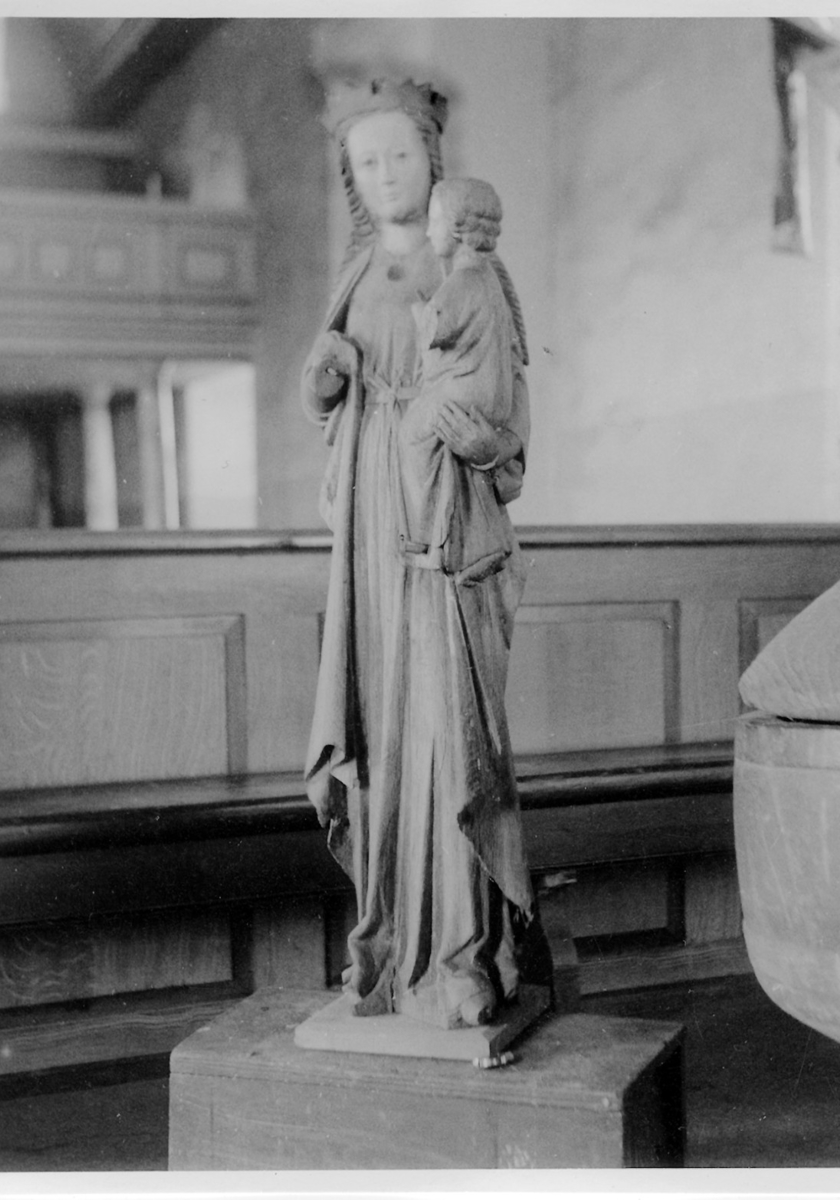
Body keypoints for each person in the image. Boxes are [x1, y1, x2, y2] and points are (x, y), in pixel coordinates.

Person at [301, 79, 537, 1030]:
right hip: (370, 529)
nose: (386, 173)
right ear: (351, 178)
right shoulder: (356, 271)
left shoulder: (472, 268)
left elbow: (505, 414)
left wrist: (471, 436)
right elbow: (326, 400)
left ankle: (464, 956)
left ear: (432, 160)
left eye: (400, 154)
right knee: (383, 731)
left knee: (449, 732)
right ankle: (391, 950)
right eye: (368, 161)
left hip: (442, 522)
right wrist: (325, 379)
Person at [398, 178, 516, 584]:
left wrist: (418, 309)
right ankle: (469, 545)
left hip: (466, 395)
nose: (429, 231)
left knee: (414, 434)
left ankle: (428, 540)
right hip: (480, 393)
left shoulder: (465, 279)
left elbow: (436, 328)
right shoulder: (483, 278)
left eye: (435, 221)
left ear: (458, 228)